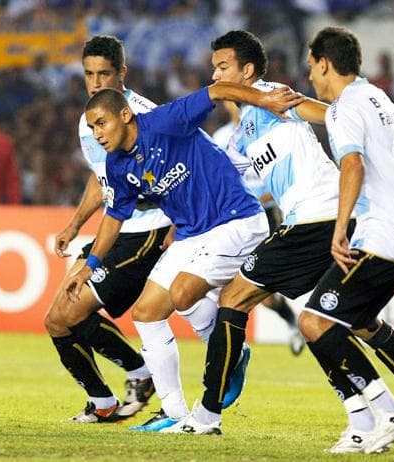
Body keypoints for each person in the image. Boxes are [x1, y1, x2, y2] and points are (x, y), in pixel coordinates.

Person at [64, 81, 302, 432]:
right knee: (146, 314)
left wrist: (264, 99)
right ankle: (174, 412)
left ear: (125, 115)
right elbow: (114, 218)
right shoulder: (116, 165)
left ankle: (230, 356)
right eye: (92, 127)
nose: (97, 133)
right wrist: (90, 265)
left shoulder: (164, 121)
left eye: (102, 123)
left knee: (183, 292)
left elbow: (218, 89)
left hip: (235, 220)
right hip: (193, 233)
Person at [167, 30, 347, 436]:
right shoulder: (240, 133)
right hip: (303, 222)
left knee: (234, 300)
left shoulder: (274, 95)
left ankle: (207, 415)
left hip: (318, 217)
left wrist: (357, 117)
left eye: (223, 66)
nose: (215, 75)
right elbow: (224, 178)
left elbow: (327, 115)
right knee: (344, 319)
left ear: (247, 71)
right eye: (214, 67)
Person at [300, 26, 394, 453]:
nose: (310, 75)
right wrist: (391, 187)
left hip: (379, 236)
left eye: (311, 67)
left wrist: (340, 228)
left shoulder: (343, 107)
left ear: (325, 63)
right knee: (364, 324)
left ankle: (386, 412)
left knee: (314, 322)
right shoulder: (380, 100)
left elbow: (352, 165)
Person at [44, 35, 171, 424]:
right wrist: (75, 223)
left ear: (122, 74)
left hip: (149, 228)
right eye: (89, 74)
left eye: (104, 74)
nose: (96, 82)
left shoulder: (144, 117)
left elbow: (175, 175)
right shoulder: (89, 120)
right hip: (116, 226)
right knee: (57, 319)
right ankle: (104, 401)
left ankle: (144, 374)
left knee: (75, 307)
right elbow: (101, 178)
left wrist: (180, 228)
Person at [212, 100, 305, 357]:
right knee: (232, 287)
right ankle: (231, 345)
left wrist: (251, 198)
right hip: (234, 218)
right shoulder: (220, 138)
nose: (234, 108)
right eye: (230, 104)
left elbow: (279, 178)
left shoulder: (266, 132)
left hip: (267, 214)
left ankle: (297, 323)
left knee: (262, 293)